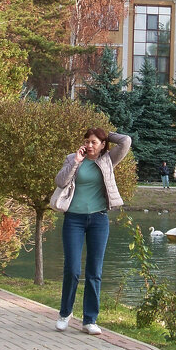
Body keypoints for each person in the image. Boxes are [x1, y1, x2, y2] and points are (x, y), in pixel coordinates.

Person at [51, 128, 132, 335]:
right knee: (72, 269)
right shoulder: (72, 158)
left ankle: (89, 320)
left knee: (94, 272)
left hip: (98, 219)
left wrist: (106, 133)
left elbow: (126, 141)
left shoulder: (108, 160)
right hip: (74, 219)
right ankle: (65, 313)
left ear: (103, 145)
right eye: (87, 141)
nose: (89, 145)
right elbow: (60, 181)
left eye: (94, 142)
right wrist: (76, 162)